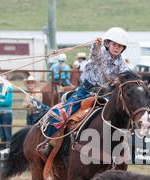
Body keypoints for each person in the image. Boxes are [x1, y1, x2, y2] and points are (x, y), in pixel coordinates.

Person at [38, 27, 130, 158]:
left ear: (123, 48)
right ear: (107, 43)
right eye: (114, 44)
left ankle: (119, 148)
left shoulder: (121, 63)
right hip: (87, 90)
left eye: (120, 46)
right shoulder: (100, 54)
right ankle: (49, 143)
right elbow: (94, 53)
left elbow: (126, 74)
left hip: (107, 94)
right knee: (63, 113)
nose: (117, 48)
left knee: (122, 115)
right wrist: (96, 44)